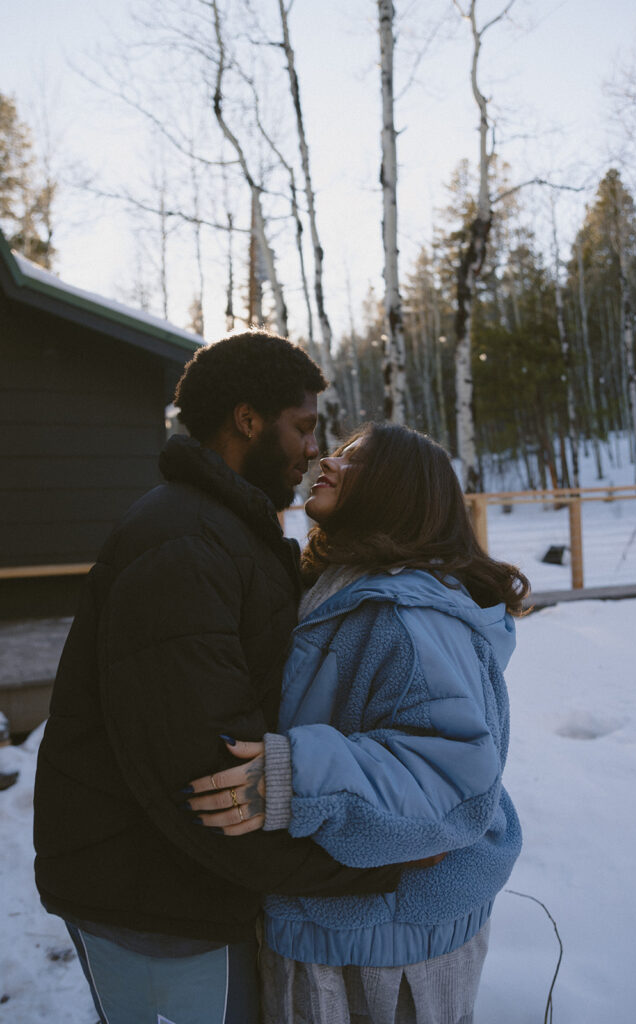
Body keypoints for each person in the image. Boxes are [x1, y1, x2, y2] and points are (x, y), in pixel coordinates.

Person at [32, 331, 403, 1024]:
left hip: (178, 886)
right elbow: (209, 781)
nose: (309, 450)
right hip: (150, 900)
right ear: (247, 419)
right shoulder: (185, 546)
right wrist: (374, 868)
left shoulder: (223, 530)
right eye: (301, 427)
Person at [186, 422, 530, 1024]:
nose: (326, 460)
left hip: (388, 949)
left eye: (356, 460)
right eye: (338, 450)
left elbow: (454, 778)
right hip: (353, 920)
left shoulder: (407, 615)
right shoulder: (347, 589)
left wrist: (296, 778)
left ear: (399, 491)